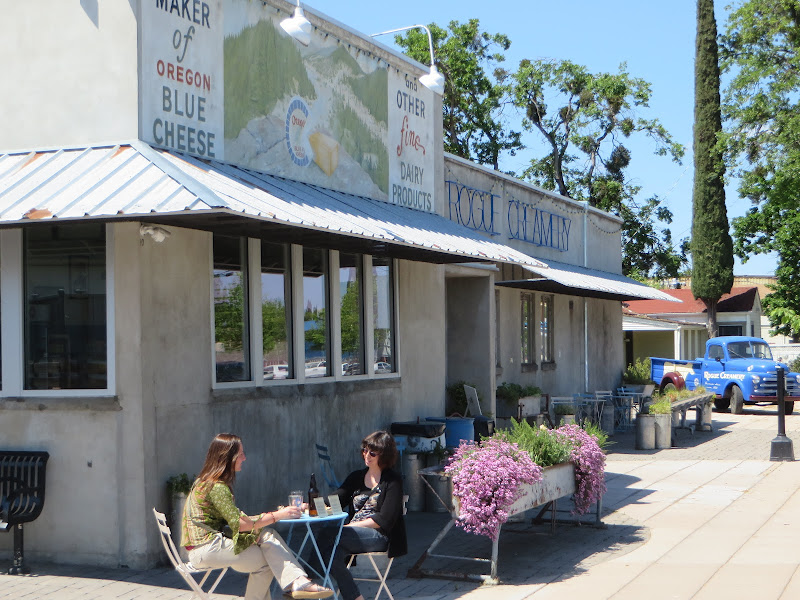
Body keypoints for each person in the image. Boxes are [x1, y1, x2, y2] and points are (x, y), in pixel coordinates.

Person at [181, 433, 333, 600]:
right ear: (227, 458)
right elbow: (241, 524)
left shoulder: (204, 482)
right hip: (206, 549)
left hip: (204, 548)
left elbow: (240, 521)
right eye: (240, 455)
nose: (244, 458)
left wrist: (275, 517)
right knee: (271, 557)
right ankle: (298, 581)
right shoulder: (216, 487)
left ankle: (297, 581)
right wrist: (278, 515)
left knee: (268, 544)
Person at [322, 430, 407, 600]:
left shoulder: (393, 480)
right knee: (330, 553)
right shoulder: (357, 476)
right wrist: (310, 505)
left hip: (380, 536)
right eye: (364, 450)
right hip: (351, 535)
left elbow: (384, 520)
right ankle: (355, 597)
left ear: (384, 455)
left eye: (372, 452)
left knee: (328, 536)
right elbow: (336, 499)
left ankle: (306, 579)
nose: (366, 455)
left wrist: (350, 527)